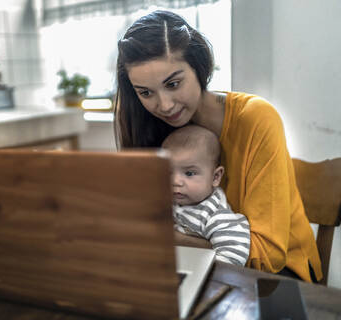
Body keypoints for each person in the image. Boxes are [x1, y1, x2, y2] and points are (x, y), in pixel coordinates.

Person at [114, 10, 322, 282]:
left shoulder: (256, 118)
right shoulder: (146, 126)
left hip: (277, 278)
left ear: (200, 69)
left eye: (173, 84)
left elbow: (268, 255)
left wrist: (168, 237)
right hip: (195, 268)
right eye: (145, 92)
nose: (163, 105)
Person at [162, 124, 250, 266]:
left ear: (215, 177)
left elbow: (233, 255)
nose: (175, 181)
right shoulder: (171, 201)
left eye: (189, 173)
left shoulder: (215, 215)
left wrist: (205, 276)